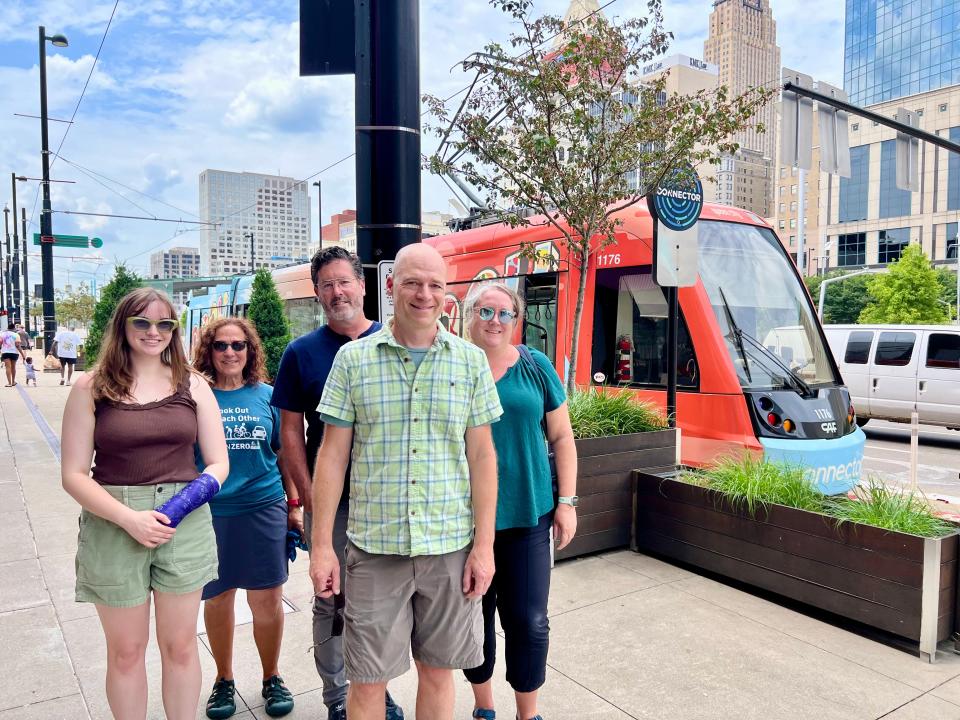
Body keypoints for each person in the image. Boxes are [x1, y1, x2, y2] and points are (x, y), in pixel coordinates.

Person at [309, 243, 502, 720]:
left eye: (436, 285)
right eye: (413, 282)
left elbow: (482, 457)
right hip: (376, 548)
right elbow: (332, 456)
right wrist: (320, 545)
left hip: (450, 547)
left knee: (438, 674)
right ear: (391, 286)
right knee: (368, 681)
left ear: (447, 294)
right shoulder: (353, 361)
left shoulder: (470, 362)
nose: (425, 294)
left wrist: (485, 545)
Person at [60, 287, 230, 720]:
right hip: (114, 522)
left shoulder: (192, 384)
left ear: (174, 330)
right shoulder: (91, 386)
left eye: (164, 324)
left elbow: (217, 462)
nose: (153, 332)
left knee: (180, 645)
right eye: (142, 322)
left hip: (184, 522)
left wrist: (181, 505)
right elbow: (74, 474)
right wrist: (129, 519)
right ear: (123, 326)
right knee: (126, 652)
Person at [271, 246, 404, 720]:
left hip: (387, 501)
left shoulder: (395, 342)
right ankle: (337, 697)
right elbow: (289, 431)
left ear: (364, 285)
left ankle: (374, 687)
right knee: (332, 600)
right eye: (326, 284)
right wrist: (309, 501)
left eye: (344, 281)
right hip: (334, 505)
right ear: (317, 293)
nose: (336, 291)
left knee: (379, 604)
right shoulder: (301, 354)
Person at [461, 282, 578, 720]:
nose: (495, 321)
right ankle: (484, 706)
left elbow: (562, 436)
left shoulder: (535, 365)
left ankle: (527, 714)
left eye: (504, 313)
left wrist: (566, 500)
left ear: (517, 320)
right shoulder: (452, 367)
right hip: (467, 522)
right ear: (469, 316)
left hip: (530, 513)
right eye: (485, 312)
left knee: (529, 622)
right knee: (476, 622)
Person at [193, 317, 296, 719]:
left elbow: (285, 454)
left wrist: (295, 505)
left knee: (267, 600)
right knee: (218, 599)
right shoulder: (196, 397)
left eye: (239, 346)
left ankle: (272, 677)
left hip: (263, 508)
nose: (230, 353)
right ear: (209, 351)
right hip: (212, 513)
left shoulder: (269, 396)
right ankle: (224, 680)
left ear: (250, 351)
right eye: (221, 346)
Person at [1, 322, 26, 387]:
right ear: (13, 328)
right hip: (14, 353)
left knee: (8, 367)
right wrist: (23, 355)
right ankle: (13, 381)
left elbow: (0, 344)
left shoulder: (2, 334)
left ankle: (9, 383)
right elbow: (18, 346)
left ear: (7, 328)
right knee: (13, 367)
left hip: (5, 352)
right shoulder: (16, 335)